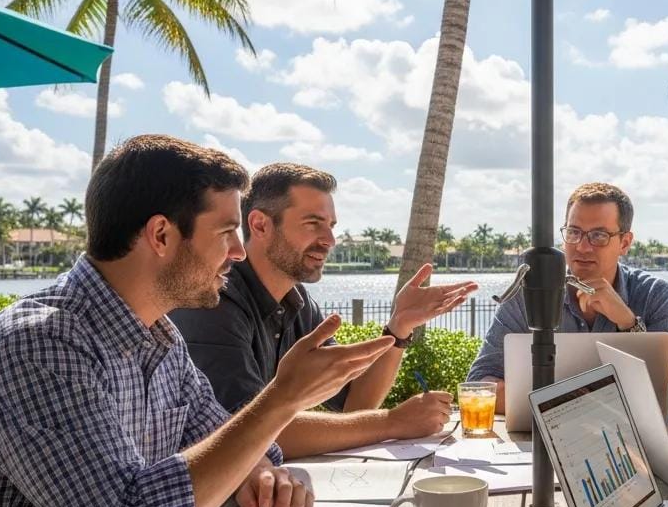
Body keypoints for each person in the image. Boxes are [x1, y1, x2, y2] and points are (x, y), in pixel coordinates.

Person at [0, 136, 393, 507]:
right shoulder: (39, 345)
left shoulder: (159, 337)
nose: (239, 253)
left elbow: (233, 440)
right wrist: (282, 398)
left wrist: (266, 473)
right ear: (161, 235)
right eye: (226, 233)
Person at [170, 163, 477, 459]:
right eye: (313, 224)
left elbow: (354, 404)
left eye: (330, 226)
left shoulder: (297, 302)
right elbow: (247, 433)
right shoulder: (214, 302)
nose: (329, 241)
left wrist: (399, 326)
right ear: (260, 225)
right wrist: (392, 422)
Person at [465, 182, 668, 416]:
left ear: (625, 243)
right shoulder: (528, 294)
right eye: (574, 233)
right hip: (538, 443)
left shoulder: (653, 293)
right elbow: (479, 384)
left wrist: (628, 323)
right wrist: (567, 404)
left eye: (598, 235)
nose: (582, 247)